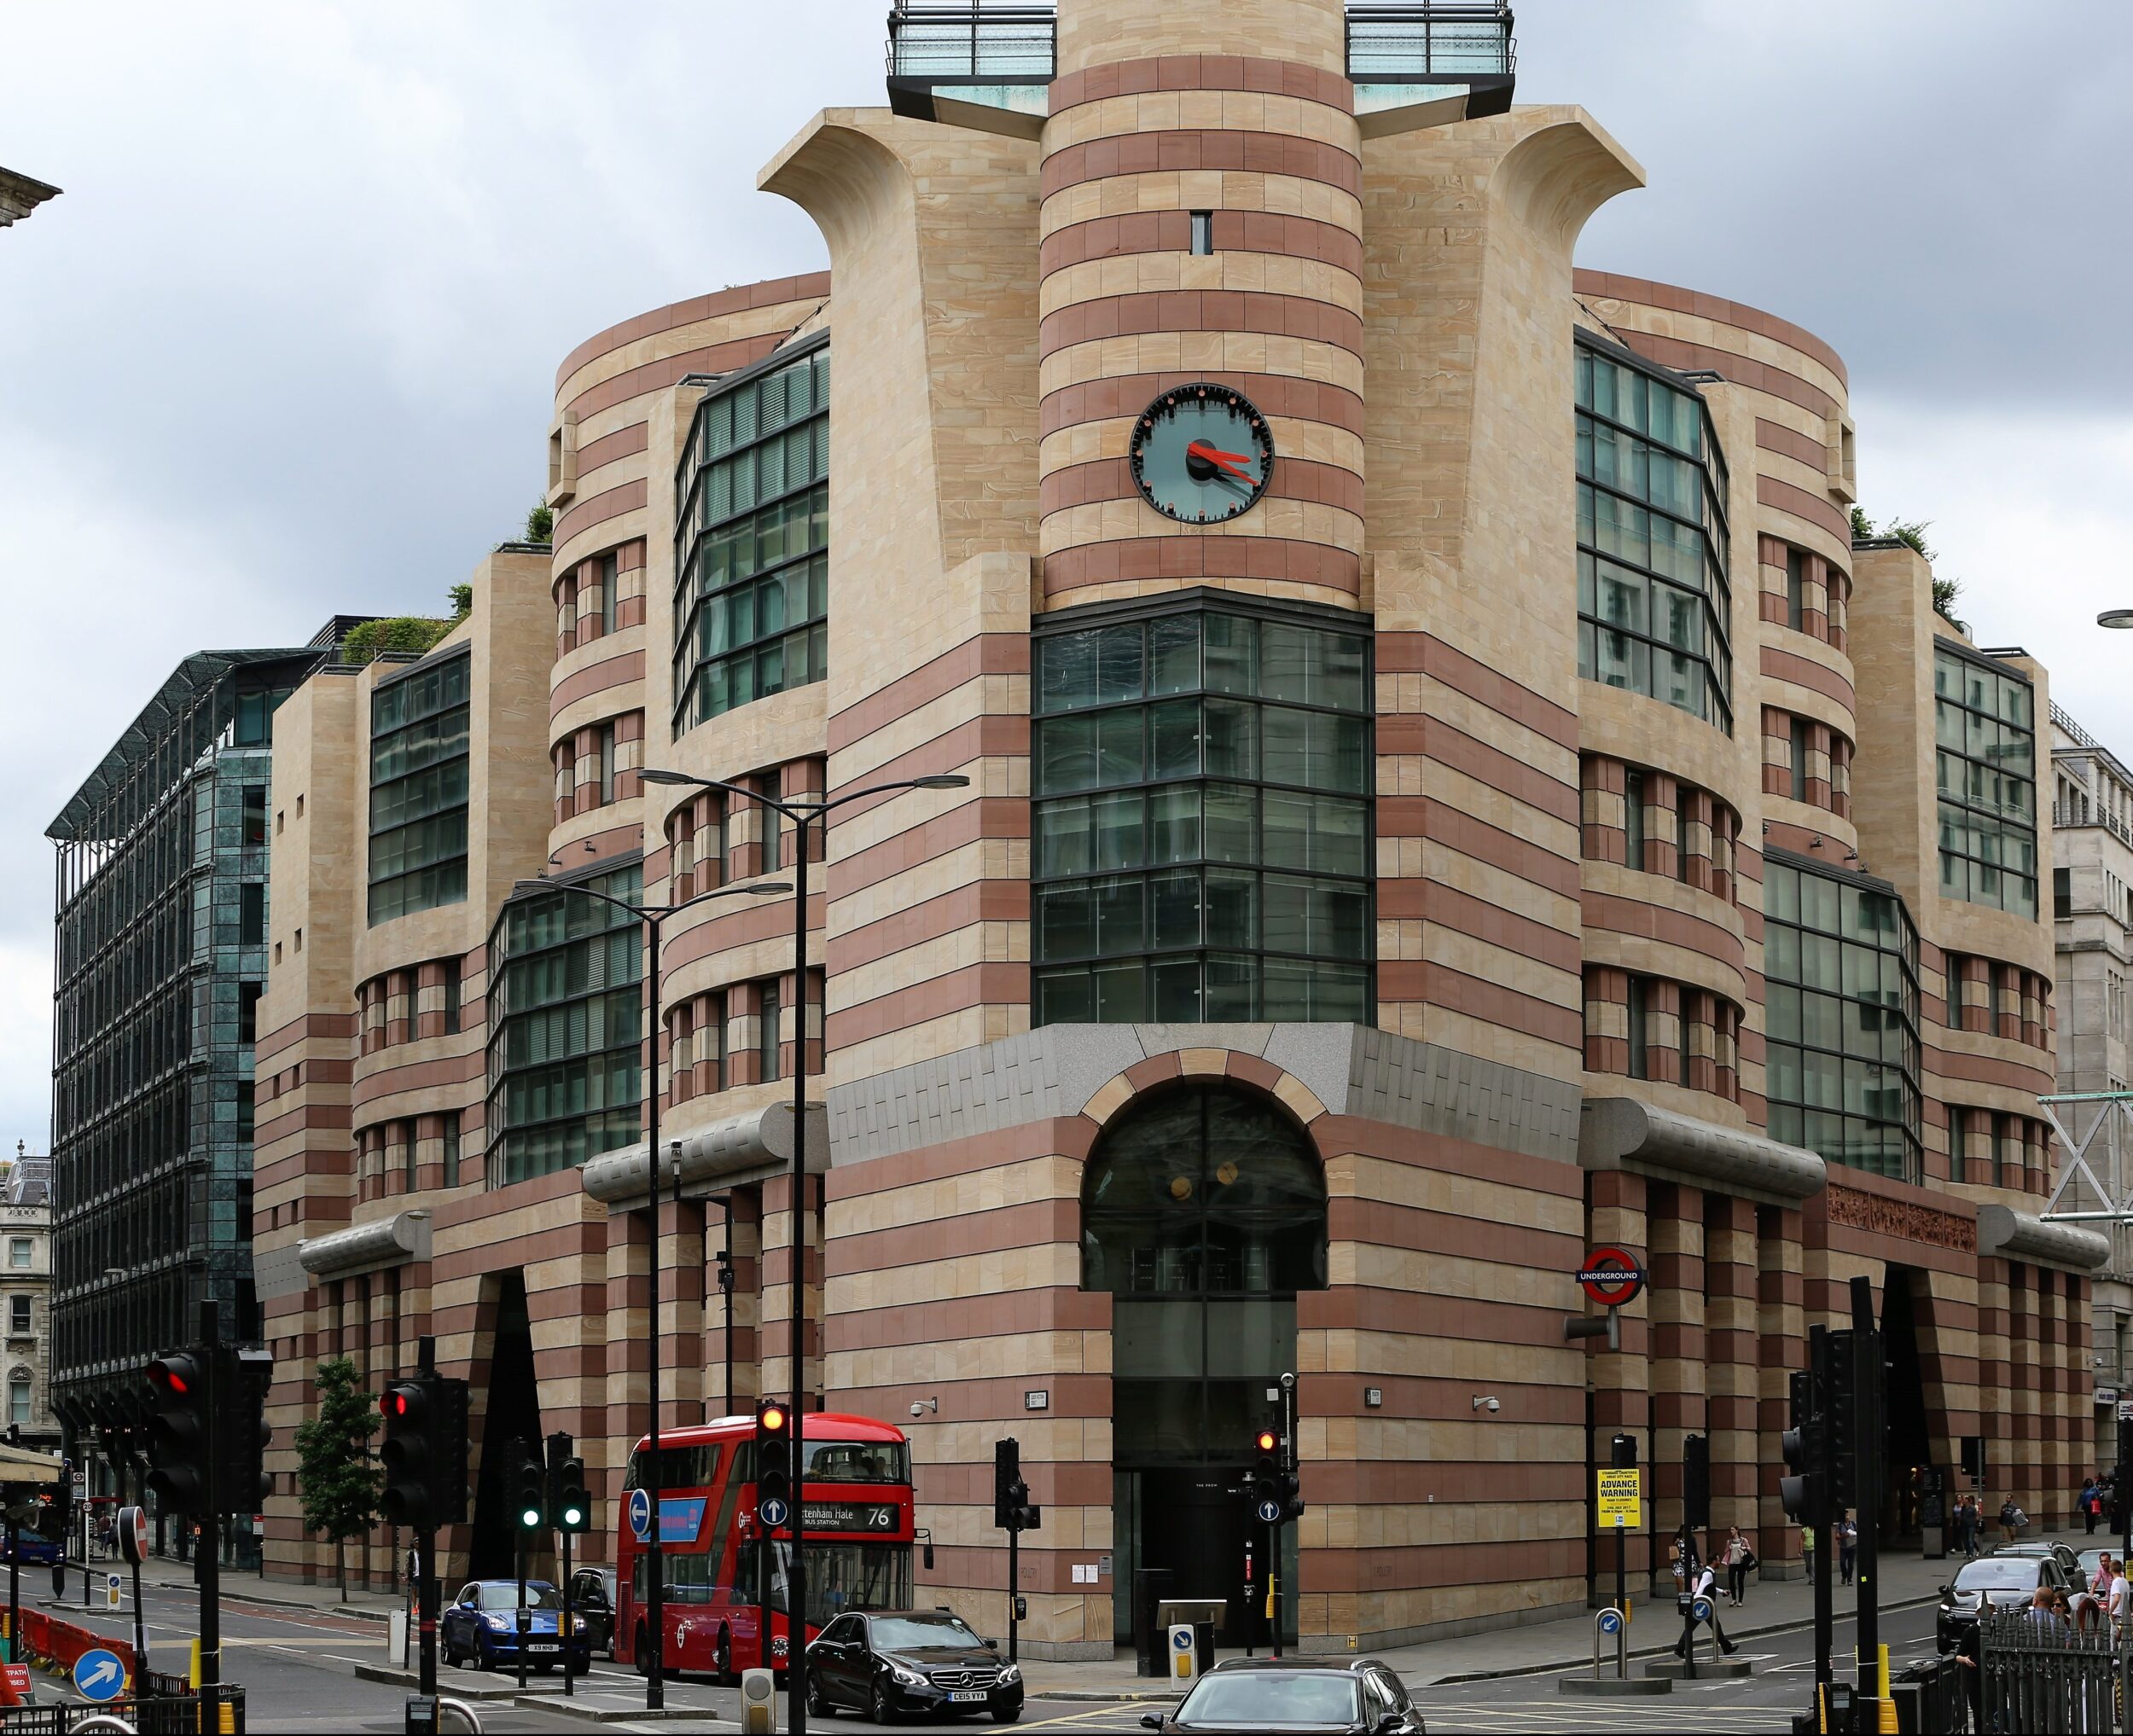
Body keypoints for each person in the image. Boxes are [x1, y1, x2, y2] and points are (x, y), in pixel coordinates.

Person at [1674, 1559, 1739, 1660]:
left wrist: (1722, 1591)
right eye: (1717, 1560)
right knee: (1712, 1627)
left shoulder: (1707, 1572)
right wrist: (1695, 1601)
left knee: (1706, 1627)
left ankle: (1680, 1648)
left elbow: (1710, 1586)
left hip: (1704, 1605)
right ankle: (1726, 1647)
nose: (1719, 1562)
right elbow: (1701, 1587)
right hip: (1704, 1605)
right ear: (1713, 1561)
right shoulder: (1708, 1574)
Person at [1723, 1526, 1753, 1606]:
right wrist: (1728, 1549)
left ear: (1737, 1531)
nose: (1731, 1531)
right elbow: (1725, 1551)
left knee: (1740, 1582)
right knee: (1731, 1580)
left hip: (1741, 1563)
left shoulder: (1743, 1540)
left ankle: (1740, 1601)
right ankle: (1733, 1599)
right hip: (1732, 1563)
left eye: (1733, 1530)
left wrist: (1744, 1548)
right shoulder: (1729, 1541)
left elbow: (1749, 1549)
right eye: (1730, 1530)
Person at [1837, 1513, 1858, 1588]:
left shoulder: (1854, 1524)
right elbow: (1837, 1537)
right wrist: (1843, 1536)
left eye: (1848, 1515)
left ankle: (1849, 1580)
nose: (1847, 1517)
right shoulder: (1840, 1525)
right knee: (1842, 1563)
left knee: (1851, 1565)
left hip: (1852, 1547)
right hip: (1843, 1548)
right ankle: (1844, 1575)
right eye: (1846, 1516)